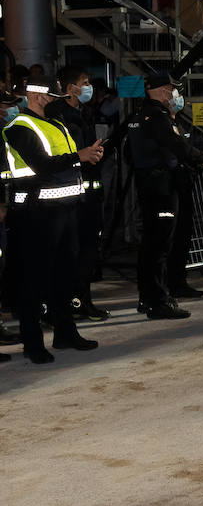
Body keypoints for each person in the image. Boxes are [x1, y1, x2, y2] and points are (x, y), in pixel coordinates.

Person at [3, 77, 104, 362]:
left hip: (66, 208)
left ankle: (65, 332)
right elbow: (42, 166)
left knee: (64, 275)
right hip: (37, 213)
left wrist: (88, 156)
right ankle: (32, 343)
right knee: (34, 279)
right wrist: (79, 157)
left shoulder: (55, 124)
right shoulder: (19, 127)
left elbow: (67, 161)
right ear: (35, 95)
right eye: (49, 95)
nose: (53, 100)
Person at [125, 72, 203, 319]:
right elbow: (177, 146)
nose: (176, 94)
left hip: (152, 185)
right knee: (158, 245)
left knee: (153, 244)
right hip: (160, 188)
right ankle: (157, 301)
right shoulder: (157, 117)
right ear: (162, 90)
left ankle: (149, 298)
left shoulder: (142, 115)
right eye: (173, 89)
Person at [46, 66, 110, 321]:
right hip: (75, 198)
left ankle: (82, 300)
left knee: (87, 251)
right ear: (71, 88)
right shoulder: (64, 117)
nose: (88, 87)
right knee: (76, 253)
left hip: (88, 193)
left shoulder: (80, 113)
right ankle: (74, 302)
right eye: (84, 83)